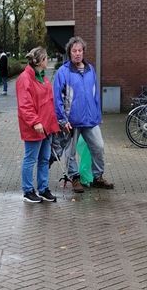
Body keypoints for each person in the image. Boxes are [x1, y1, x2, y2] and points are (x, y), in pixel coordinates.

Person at [53, 36, 114, 193]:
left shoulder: (90, 70)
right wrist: (62, 119)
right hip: (71, 121)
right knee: (71, 153)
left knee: (99, 147)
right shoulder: (63, 72)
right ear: (70, 52)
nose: (77, 53)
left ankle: (97, 177)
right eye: (74, 51)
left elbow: (95, 95)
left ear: (83, 52)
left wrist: (97, 114)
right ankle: (75, 178)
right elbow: (57, 97)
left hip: (90, 119)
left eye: (80, 50)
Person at [16, 46, 60, 203]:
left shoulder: (43, 77)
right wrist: (35, 122)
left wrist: (53, 124)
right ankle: (28, 190)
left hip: (46, 127)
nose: (48, 60)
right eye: (46, 57)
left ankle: (43, 189)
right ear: (40, 61)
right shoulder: (25, 79)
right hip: (35, 127)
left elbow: (49, 102)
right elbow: (25, 105)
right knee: (30, 158)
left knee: (44, 159)